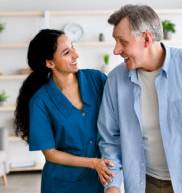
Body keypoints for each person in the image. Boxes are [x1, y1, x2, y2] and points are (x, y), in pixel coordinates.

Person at [97, 4, 182, 193]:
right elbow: (110, 140)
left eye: (123, 42)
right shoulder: (115, 80)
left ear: (146, 38)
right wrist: (112, 186)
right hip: (144, 184)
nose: (116, 50)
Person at [14, 29, 114, 193]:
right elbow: (51, 154)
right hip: (62, 184)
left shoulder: (97, 80)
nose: (76, 54)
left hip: (101, 179)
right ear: (50, 63)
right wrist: (93, 163)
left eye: (73, 47)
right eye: (67, 52)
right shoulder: (40, 101)